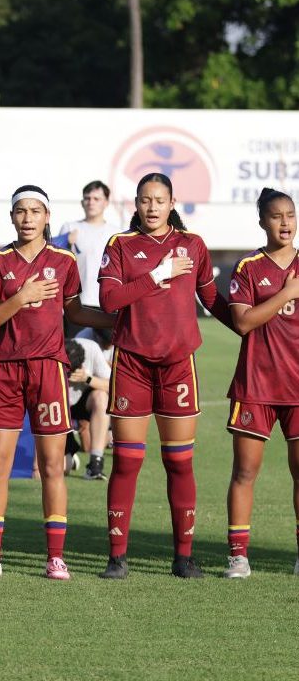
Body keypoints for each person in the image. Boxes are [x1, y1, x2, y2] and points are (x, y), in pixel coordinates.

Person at [0, 185, 113, 580]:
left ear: (47, 217)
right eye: (21, 211)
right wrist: (21, 297)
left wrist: (120, 320)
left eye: (36, 211)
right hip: (5, 371)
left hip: (49, 370)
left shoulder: (64, 261)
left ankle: (55, 557)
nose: (28, 218)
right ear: (11, 217)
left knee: (52, 465)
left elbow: (75, 311)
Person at [98, 172, 231, 579]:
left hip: (177, 365)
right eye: (145, 200)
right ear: (135, 203)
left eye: (159, 200)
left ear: (173, 203)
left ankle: (183, 558)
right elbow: (109, 300)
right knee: (126, 461)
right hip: (132, 364)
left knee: (179, 462)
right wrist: (158, 274)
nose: (152, 207)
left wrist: (248, 326)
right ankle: (117, 558)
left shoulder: (193, 245)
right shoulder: (120, 245)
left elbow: (211, 297)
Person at [224, 188, 299, 579]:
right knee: (245, 472)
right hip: (256, 384)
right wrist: (288, 293)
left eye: (290, 215)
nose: (285, 223)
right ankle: (238, 556)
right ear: (262, 221)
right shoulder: (248, 268)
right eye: (276, 216)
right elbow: (243, 322)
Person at [59, 180, 120, 311]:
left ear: (106, 203)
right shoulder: (69, 228)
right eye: (87, 198)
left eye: (96, 199)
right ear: (82, 202)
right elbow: (57, 264)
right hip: (75, 303)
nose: (91, 202)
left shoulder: (116, 233)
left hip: (107, 303)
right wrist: (65, 241)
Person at [65, 337, 112, 480]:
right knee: (60, 468)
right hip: (59, 408)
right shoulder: (51, 358)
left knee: (101, 397)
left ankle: (95, 464)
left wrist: (87, 378)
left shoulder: (91, 348)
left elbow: (114, 385)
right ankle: (70, 458)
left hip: (82, 402)